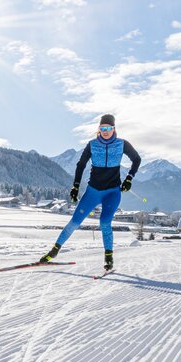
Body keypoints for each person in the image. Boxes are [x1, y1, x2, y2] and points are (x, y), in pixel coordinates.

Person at [40, 114, 141, 270]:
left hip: (112, 192)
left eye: (108, 128)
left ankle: (108, 257)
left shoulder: (122, 144)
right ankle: (53, 251)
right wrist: (75, 186)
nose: (105, 131)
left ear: (114, 129)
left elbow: (137, 159)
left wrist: (129, 178)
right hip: (93, 191)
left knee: (105, 222)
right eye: (102, 128)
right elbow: (80, 165)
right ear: (98, 129)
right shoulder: (92, 145)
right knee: (75, 221)